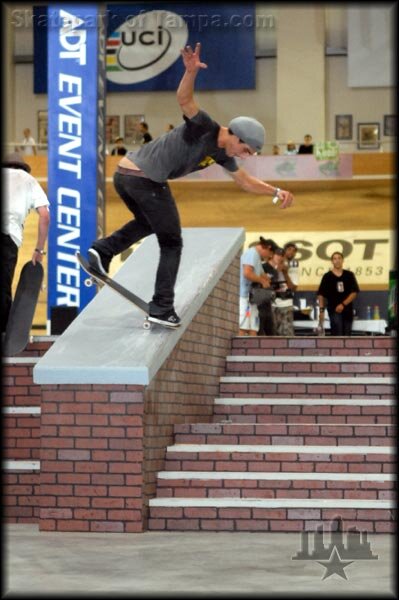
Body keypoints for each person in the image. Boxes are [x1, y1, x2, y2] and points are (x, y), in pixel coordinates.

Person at [86, 43, 293, 328]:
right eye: (244, 150)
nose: (242, 156)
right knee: (172, 241)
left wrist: (275, 191)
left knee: (149, 223)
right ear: (236, 136)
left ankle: (103, 251)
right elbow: (184, 100)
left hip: (128, 176)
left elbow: (244, 181)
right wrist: (191, 72)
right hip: (144, 179)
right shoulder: (205, 126)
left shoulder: (222, 152)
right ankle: (161, 307)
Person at [1, 153, 50, 334]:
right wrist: (39, 249)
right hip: (7, 237)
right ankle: (4, 333)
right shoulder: (28, 180)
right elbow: (45, 216)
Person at [317, 251, 360, 336]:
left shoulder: (349, 275)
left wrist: (343, 304)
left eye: (339, 258)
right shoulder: (327, 276)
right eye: (335, 259)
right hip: (334, 310)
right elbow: (321, 294)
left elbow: (354, 293)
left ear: (343, 260)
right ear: (332, 261)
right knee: (337, 335)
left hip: (347, 310)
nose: (337, 260)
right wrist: (321, 310)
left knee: (347, 335)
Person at [239, 238, 275, 336]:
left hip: (251, 299)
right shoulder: (252, 254)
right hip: (244, 297)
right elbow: (247, 273)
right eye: (270, 254)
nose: (269, 257)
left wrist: (266, 279)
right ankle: (239, 350)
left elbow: (262, 274)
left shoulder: (257, 258)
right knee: (243, 326)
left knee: (253, 327)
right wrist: (262, 280)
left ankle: (252, 349)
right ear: (267, 248)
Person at [268, 248, 296, 336]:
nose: (279, 257)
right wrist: (275, 270)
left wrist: (285, 273)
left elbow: (293, 287)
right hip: (272, 303)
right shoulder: (265, 267)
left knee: (287, 332)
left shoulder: (289, 269)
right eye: (278, 255)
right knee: (273, 331)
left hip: (286, 303)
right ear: (272, 255)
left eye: (282, 256)